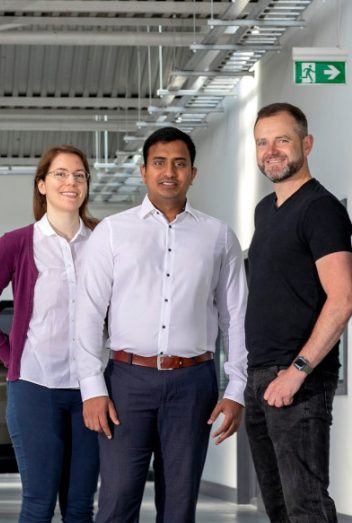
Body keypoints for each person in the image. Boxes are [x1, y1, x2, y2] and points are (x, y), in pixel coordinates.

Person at [74, 127, 248, 523]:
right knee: (116, 503)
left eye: (179, 163)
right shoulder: (113, 232)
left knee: (179, 508)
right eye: (159, 163)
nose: (169, 171)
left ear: (193, 173)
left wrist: (236, 387)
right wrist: (91, 389)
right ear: (143, 171)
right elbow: (87, 313)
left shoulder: (218, 236)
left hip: (193, 384)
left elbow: (235, 316)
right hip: (126, 384)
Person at [0, 145, 100, 522]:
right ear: (41, 184)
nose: (70, 182)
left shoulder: (104, 240)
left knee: (79, 507)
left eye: (79, 175)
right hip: (34, 388)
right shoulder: (16, 244)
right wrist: (12, 357)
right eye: (60, 174)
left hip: (91, 391)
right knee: (39, 503)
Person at [244, 103, 352, 522]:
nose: (271, 150)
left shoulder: (320, 209)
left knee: (305, 505)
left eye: (282, 140)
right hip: (261, 377)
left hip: (298, 380)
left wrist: (298, 370)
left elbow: (343, 298)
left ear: (306, 144)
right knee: (278, 508)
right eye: (262, 142)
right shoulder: (264, 211)